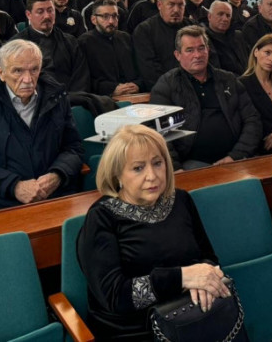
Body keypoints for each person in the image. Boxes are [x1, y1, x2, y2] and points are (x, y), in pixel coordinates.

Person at [77, 124, 227, 341]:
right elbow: (115, 297)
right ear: (118, 174)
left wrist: (205, 279)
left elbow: (208, 257)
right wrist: (183, 278)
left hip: (191, 316)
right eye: (138, 168)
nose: (152, 176)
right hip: (135, 331)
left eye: (157, 163)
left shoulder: (181, 200)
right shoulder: (101, 217)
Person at [0, 39, 84, 209]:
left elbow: (74, 148)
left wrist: (58, 174)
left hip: (57, 195)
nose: (27, 79)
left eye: (34, 70)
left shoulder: (56, 96)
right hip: (4, 203)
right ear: (1, 73)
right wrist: (15, 186)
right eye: (18, 71)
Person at [151, 26, 261, 170]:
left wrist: (236, 155)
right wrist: (175, 167)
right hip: (191, 163)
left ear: (208, 50)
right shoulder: (166, 84)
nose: (197, 55)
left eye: (201, 48)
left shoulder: (229, 80)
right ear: (178, 55)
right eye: (190, 50)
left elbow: (252, 119)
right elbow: (159, 132)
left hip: (236, 157)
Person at [13, 0, 90, 92]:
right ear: (29, 15)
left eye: (50, 10)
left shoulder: (70, 42)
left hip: (71, 96)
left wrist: (69, 97)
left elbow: (81, 76)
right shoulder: (16, 46)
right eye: (40, 12)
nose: (47, 16)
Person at [78, 0, 144, 96]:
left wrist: (137, 85)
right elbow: (84, 80)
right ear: (93, 19)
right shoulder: (84, 42)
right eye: (105, 16)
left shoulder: (126, 38)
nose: (111, 21)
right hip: (103, 98)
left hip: (134, 94)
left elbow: (141, 68)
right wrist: (112, 89)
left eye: (114, 16)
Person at [134, 0, 188, 88]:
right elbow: (149, 71)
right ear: (159, 5)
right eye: (171, 4)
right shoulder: (144, 30)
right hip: (163, 89)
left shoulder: (194, 27)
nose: (176, 10)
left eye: (181, 5)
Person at [204, 0, 247, 75]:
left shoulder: (238, 36)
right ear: (209, 16)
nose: (225, 19)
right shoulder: (204, 39)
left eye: (228, 15)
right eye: (220, 14)